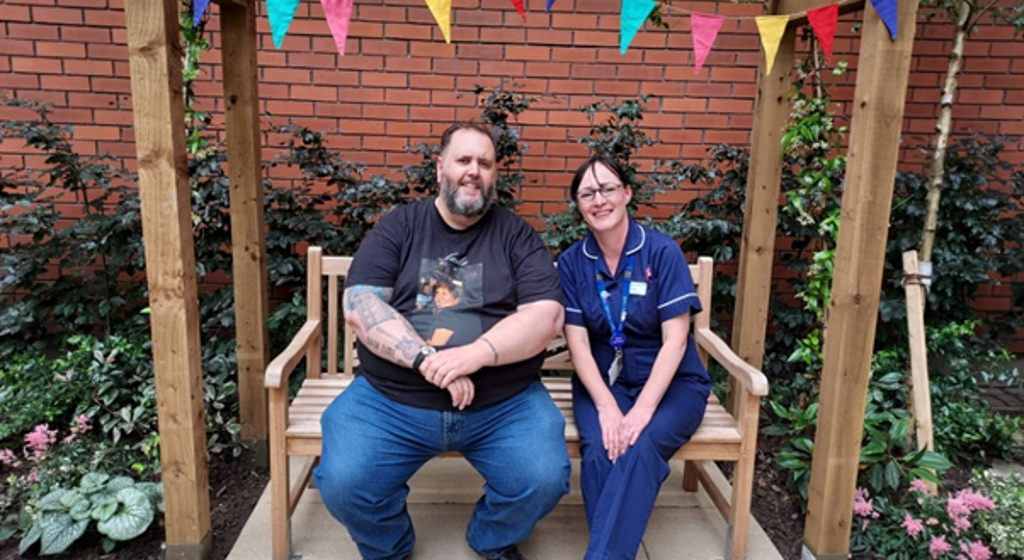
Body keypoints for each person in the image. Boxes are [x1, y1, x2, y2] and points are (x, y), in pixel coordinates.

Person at [314, 122, 570, 560]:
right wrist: (429, 361)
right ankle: (389, 547)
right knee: (344, 481)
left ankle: (491, 537)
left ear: (494, 175)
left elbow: (546, 316)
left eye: (485, 163)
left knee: (543, 477)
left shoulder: (516, 234)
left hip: (501, 404)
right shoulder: (400, 226)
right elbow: (360, 305)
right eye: (464, 160)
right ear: (439, 168)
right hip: (391, 399)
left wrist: (473, 356)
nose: (474, 171)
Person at [556, 155, 712, 560]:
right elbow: (577, 344)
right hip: (602, 381)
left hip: (673, 382)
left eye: (607, 189)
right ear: (578, 204)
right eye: (587, 193)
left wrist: (642, 412)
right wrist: (607, 408)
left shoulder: (661, 252)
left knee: (640, 445)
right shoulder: (573, 262)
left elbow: (676, 341)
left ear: (626, 193)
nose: (599, 200)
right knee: (600, 448)